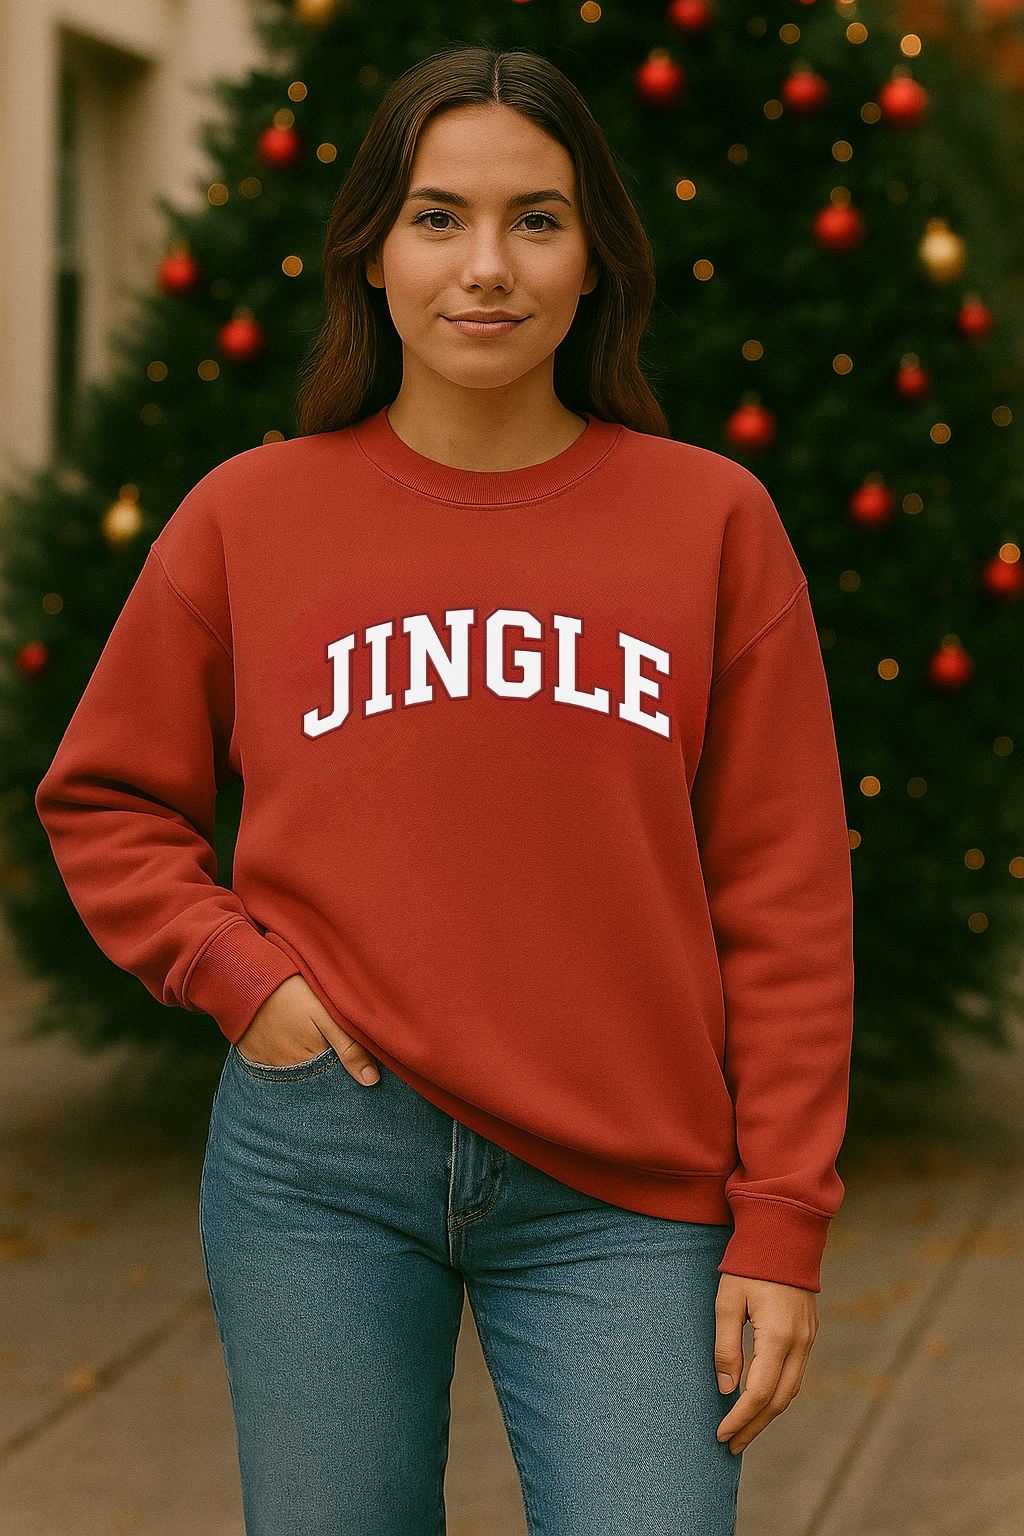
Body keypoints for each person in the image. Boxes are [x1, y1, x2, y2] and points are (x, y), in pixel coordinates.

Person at [36, 44, 854, 1536]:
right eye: (438, 218)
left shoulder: (712, 524)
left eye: (537, 219)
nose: (487, 268)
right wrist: (241, 979)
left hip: (631, 1183)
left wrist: (782, 1220)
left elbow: (786, 893)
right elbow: (105, 800)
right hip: (322, 1163)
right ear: (371, 251)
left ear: (597, 256)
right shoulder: (249, 515)